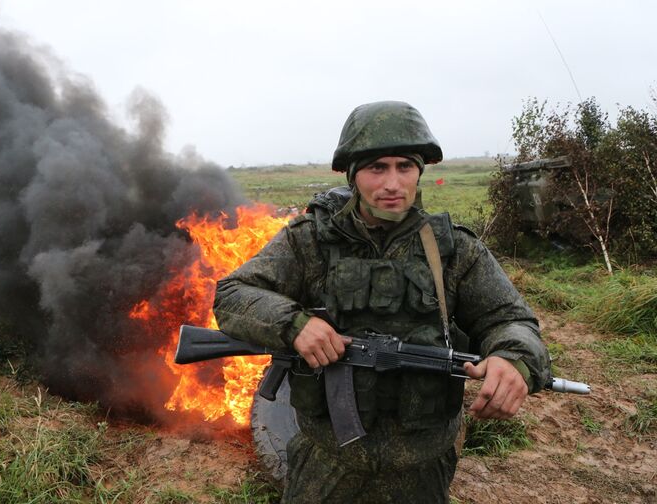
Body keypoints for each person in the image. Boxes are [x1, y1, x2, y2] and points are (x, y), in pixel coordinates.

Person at [213, 101, 551, 503]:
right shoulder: (308, 241)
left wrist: (513, 359)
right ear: (353, 175)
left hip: (422, 466)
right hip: (327, 464)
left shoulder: (455, 249)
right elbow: (232, 294)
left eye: (405, 167)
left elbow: (511, 320)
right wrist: (294, 325)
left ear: (419, 172)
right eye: (377, 168)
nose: (393, 183)